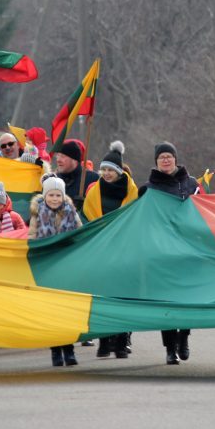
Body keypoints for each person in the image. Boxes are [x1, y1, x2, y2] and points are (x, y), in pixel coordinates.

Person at [138, 142, 200, 365]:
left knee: (186, 300)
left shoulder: (191, 184)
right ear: (156, 161)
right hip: (160, 253)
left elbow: (204, 213)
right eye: (161, 157)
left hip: (186, 251)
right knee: (164, 302)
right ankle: (170, 348)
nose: (165, 160)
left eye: (169, 156)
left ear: (175, 159)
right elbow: (141, 221)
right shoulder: (147, 189)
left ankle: (183, 337)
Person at [84, 141, 138, 359]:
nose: (106, 174)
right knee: (102, 295)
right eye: (103, 169)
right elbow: (87, 219)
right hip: (101, 252)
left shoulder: (132, 192)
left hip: (125, 251)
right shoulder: (93, 193)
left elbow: (136, 220)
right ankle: (105, 340)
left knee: (123, 296)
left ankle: (122, 340)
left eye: (110, 170)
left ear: (119, 171)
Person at [28, 174, 83, 367]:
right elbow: (32, 236)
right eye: (50, 195)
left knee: (66, 310)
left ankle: (69, 349)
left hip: (66, 265)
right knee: (51, 310)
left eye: (58, 195)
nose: (54, 199)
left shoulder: (70, 212)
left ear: (63, 196)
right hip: (47, 265)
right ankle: (55, 351)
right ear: (45, 195)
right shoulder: (37, 213)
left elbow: (79, 233)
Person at [54, 139, 98, 211]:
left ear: (75, 160)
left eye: (63, 156)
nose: (58, 160)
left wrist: (85, 206)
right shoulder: (53, 180)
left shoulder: (93, 179)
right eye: (58, 155)